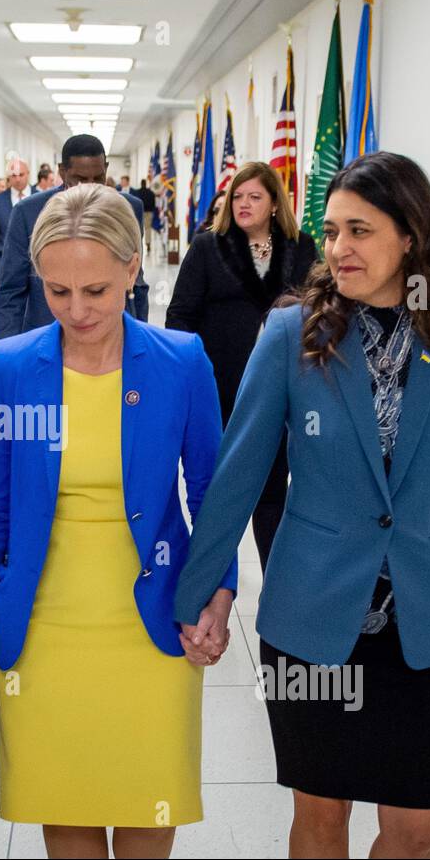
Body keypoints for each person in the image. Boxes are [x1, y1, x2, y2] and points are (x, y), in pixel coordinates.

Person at [175, 152, 430, 859]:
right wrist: (197, 591)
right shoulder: (293, 333)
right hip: (314, 615)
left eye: (359, 230)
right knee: (322, 813)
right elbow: (239, 474)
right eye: (330, 231)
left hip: (424, 622)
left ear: (411, 237)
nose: (337, 248)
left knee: (418, 828)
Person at [0, 183, 235, 859]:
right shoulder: (10, 366)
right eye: (57, 291)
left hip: (151, 623)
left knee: (149, 802)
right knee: (68, 806)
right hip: (46, 626)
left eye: (95, 290)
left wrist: (219, 593)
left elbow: (211, 493)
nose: (76, 310)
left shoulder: (181, 361)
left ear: (131, 269)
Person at [166, 162, 317, 565]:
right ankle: (208, 582)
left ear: (273, 204)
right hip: (220, 388)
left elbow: (322, 311)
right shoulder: (208, 246)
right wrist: (191, 377)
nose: (243, 204)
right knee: (219, 493)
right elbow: (179, 316)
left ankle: (279, 596)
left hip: (282, 390)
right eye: (237, 196)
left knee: (272, 495)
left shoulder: (301, 247)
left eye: (255, 196)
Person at [0, 135, 149, 339]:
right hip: (49, 338)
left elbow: (136, 281)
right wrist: (7, 353)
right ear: (62, 172)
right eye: (81, 179)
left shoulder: (128, 208)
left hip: (113, 338)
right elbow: (11, 292)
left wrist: (139, 339)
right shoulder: (29, 212)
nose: (91, 186)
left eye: (98, 178)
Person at [0, 158, 32, 295]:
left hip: (37, 266)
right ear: (8, 177)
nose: (17, 179)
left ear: (28, 174)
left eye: (21, 175)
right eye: (13, 176)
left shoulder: (40, 197)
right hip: (7, 265)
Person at [137, 179, 157, 254]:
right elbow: (154, 204)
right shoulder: (151, 193)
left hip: (140, 212)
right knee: (148, 229)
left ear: (141, 184)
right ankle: (148, 243)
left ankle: (139, 244)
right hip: (149, 212)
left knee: (139, 229)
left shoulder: (138, 192)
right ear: (146, 184)